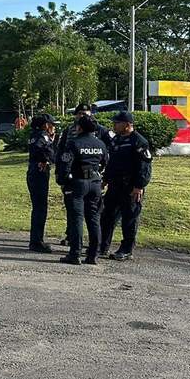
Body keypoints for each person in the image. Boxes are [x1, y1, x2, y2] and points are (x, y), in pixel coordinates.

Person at [55, 116, 109, 265]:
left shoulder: (74, 143)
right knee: (94, 219)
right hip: (95, 184)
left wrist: (63, 182)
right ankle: (93, 255)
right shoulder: (101, 144)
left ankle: (75, 254)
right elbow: (105, 163)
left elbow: (65, 165)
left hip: (78, 183)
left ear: (80, 128)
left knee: (77, 218)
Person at [100, 111, 153, 261]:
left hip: (130, 187)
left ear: (128, 124)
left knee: (129, 220)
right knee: (106, 217)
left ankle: (126, 249)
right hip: (114, 185)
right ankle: (103, 245)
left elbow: (145, 166)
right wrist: (106, 178)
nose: (114, 125)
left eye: (118, 123)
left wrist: (139, 186)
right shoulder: (117, 139)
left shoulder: (138, 141)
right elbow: (112, 162)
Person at [26, 114, 57, 253]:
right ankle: (37, 241)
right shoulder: (43, 136)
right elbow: (42, 149)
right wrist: (46, 159)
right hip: (39, 171)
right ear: (46, 125)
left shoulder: (34, 134)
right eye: (52, 125)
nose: (54, 128)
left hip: (32, 170)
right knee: (40, 208)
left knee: (38, 207)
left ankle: (36, 239)